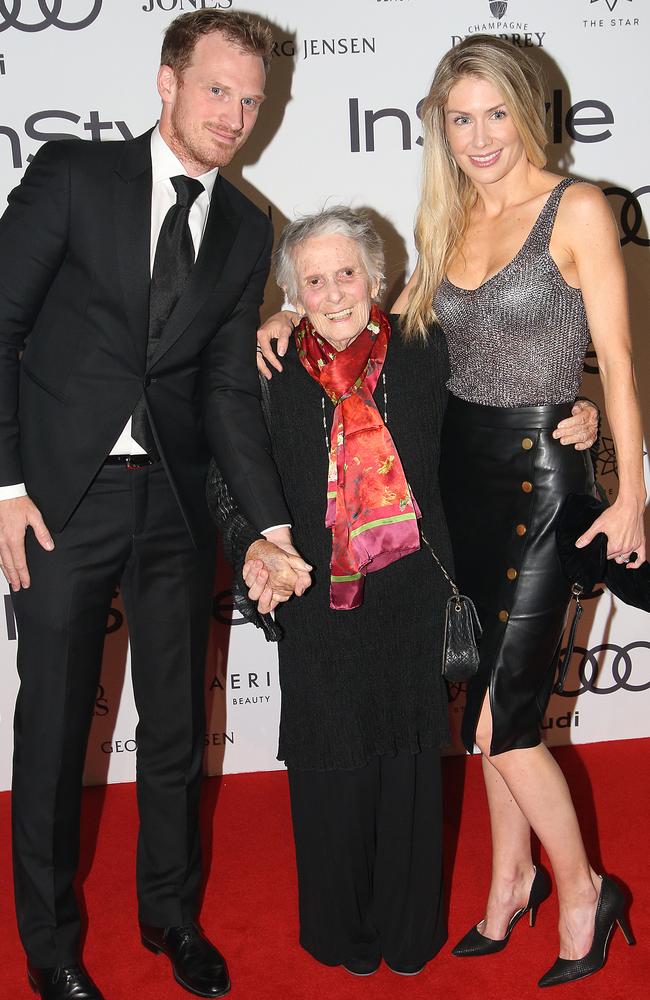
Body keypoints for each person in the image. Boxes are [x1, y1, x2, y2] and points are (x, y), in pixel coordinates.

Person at [255, 36, 636, 990]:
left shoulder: (578, 207)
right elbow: (394, 345)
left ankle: (585, 889)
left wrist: (629, 482)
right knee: (488, 713)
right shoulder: (449, 217)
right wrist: (283, 314)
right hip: (454, 490)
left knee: (500, 721)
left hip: (543, 483)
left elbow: (621, 364)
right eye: (459, 119)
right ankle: (510, 882)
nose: (479, 136)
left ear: (527, 111)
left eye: (495, 113)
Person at [0, 11, 310, 1000]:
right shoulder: (75, 178)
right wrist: (5, 486)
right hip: (58, 502)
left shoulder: (247, 226)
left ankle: (171, 917)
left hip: (174, 509)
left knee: (177, 729)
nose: (235, 115)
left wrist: (266, 524)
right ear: (167, 82)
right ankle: (51, 946)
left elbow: (225, 394)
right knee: (53, 733)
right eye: (218, 89)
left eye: (252, 100)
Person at [209, 206, 455, 977]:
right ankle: (342, 934)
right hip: (317, 600)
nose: (334, 291)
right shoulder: (270, 367)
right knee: (330, 771)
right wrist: (249, 543)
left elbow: (492, 434)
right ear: (292, 295)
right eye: (312, 281)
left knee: (411, 772)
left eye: (347, 272)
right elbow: (226, 471)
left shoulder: (426, 349)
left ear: (378, 277)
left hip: (413, 594)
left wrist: (575, 414)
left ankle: (410, 932)